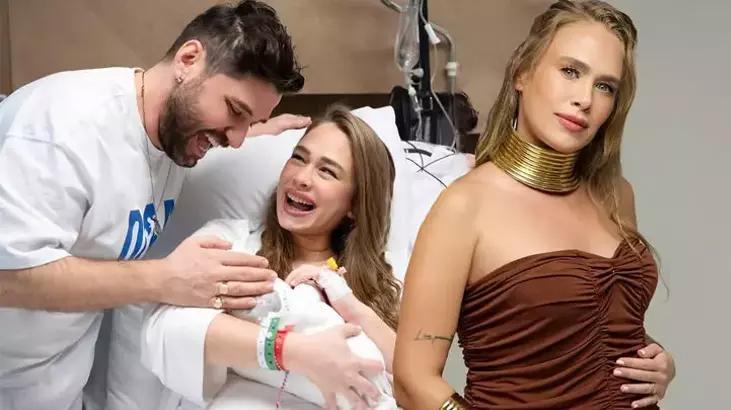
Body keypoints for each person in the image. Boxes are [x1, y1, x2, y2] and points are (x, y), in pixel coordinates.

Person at [0, 2, 307, 410]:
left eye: (247, 124)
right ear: (188, 59)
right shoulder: (60, 129)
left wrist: (255, 134)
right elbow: (9, 277)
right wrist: (166, 279)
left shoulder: (174, 135)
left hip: (57, 388)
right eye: (235, 111)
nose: (235, 139)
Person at [393, 1, 676, 409]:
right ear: (522, 73)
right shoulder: (465, 206)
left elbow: (582, 327)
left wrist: (659, 361)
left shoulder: (615, 194)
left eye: (605, 86)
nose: (585, 98)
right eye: (571, 71)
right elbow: (412, 381)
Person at [141, 106, 401, 410]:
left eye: (327, 171)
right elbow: (165, 330)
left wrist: (354, 310)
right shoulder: (229, 242)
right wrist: (295, 352)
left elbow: (410, 381)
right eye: (298, 158)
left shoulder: (385, 283)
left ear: (354, 205)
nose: (301, 177)